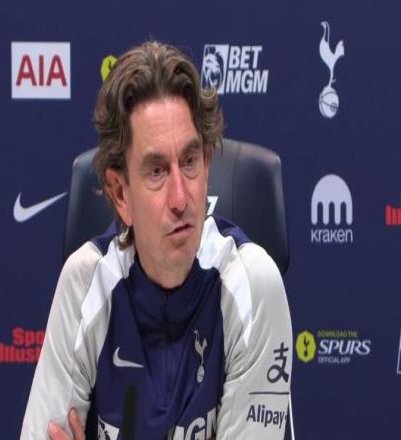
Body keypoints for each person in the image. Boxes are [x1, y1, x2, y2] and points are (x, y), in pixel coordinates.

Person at [20, 41, 292, 440]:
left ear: (207, 165)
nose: (181, 199)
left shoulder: (253, 285)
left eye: (190, 162)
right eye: (157, 172)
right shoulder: (85, 284)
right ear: (120, 194)